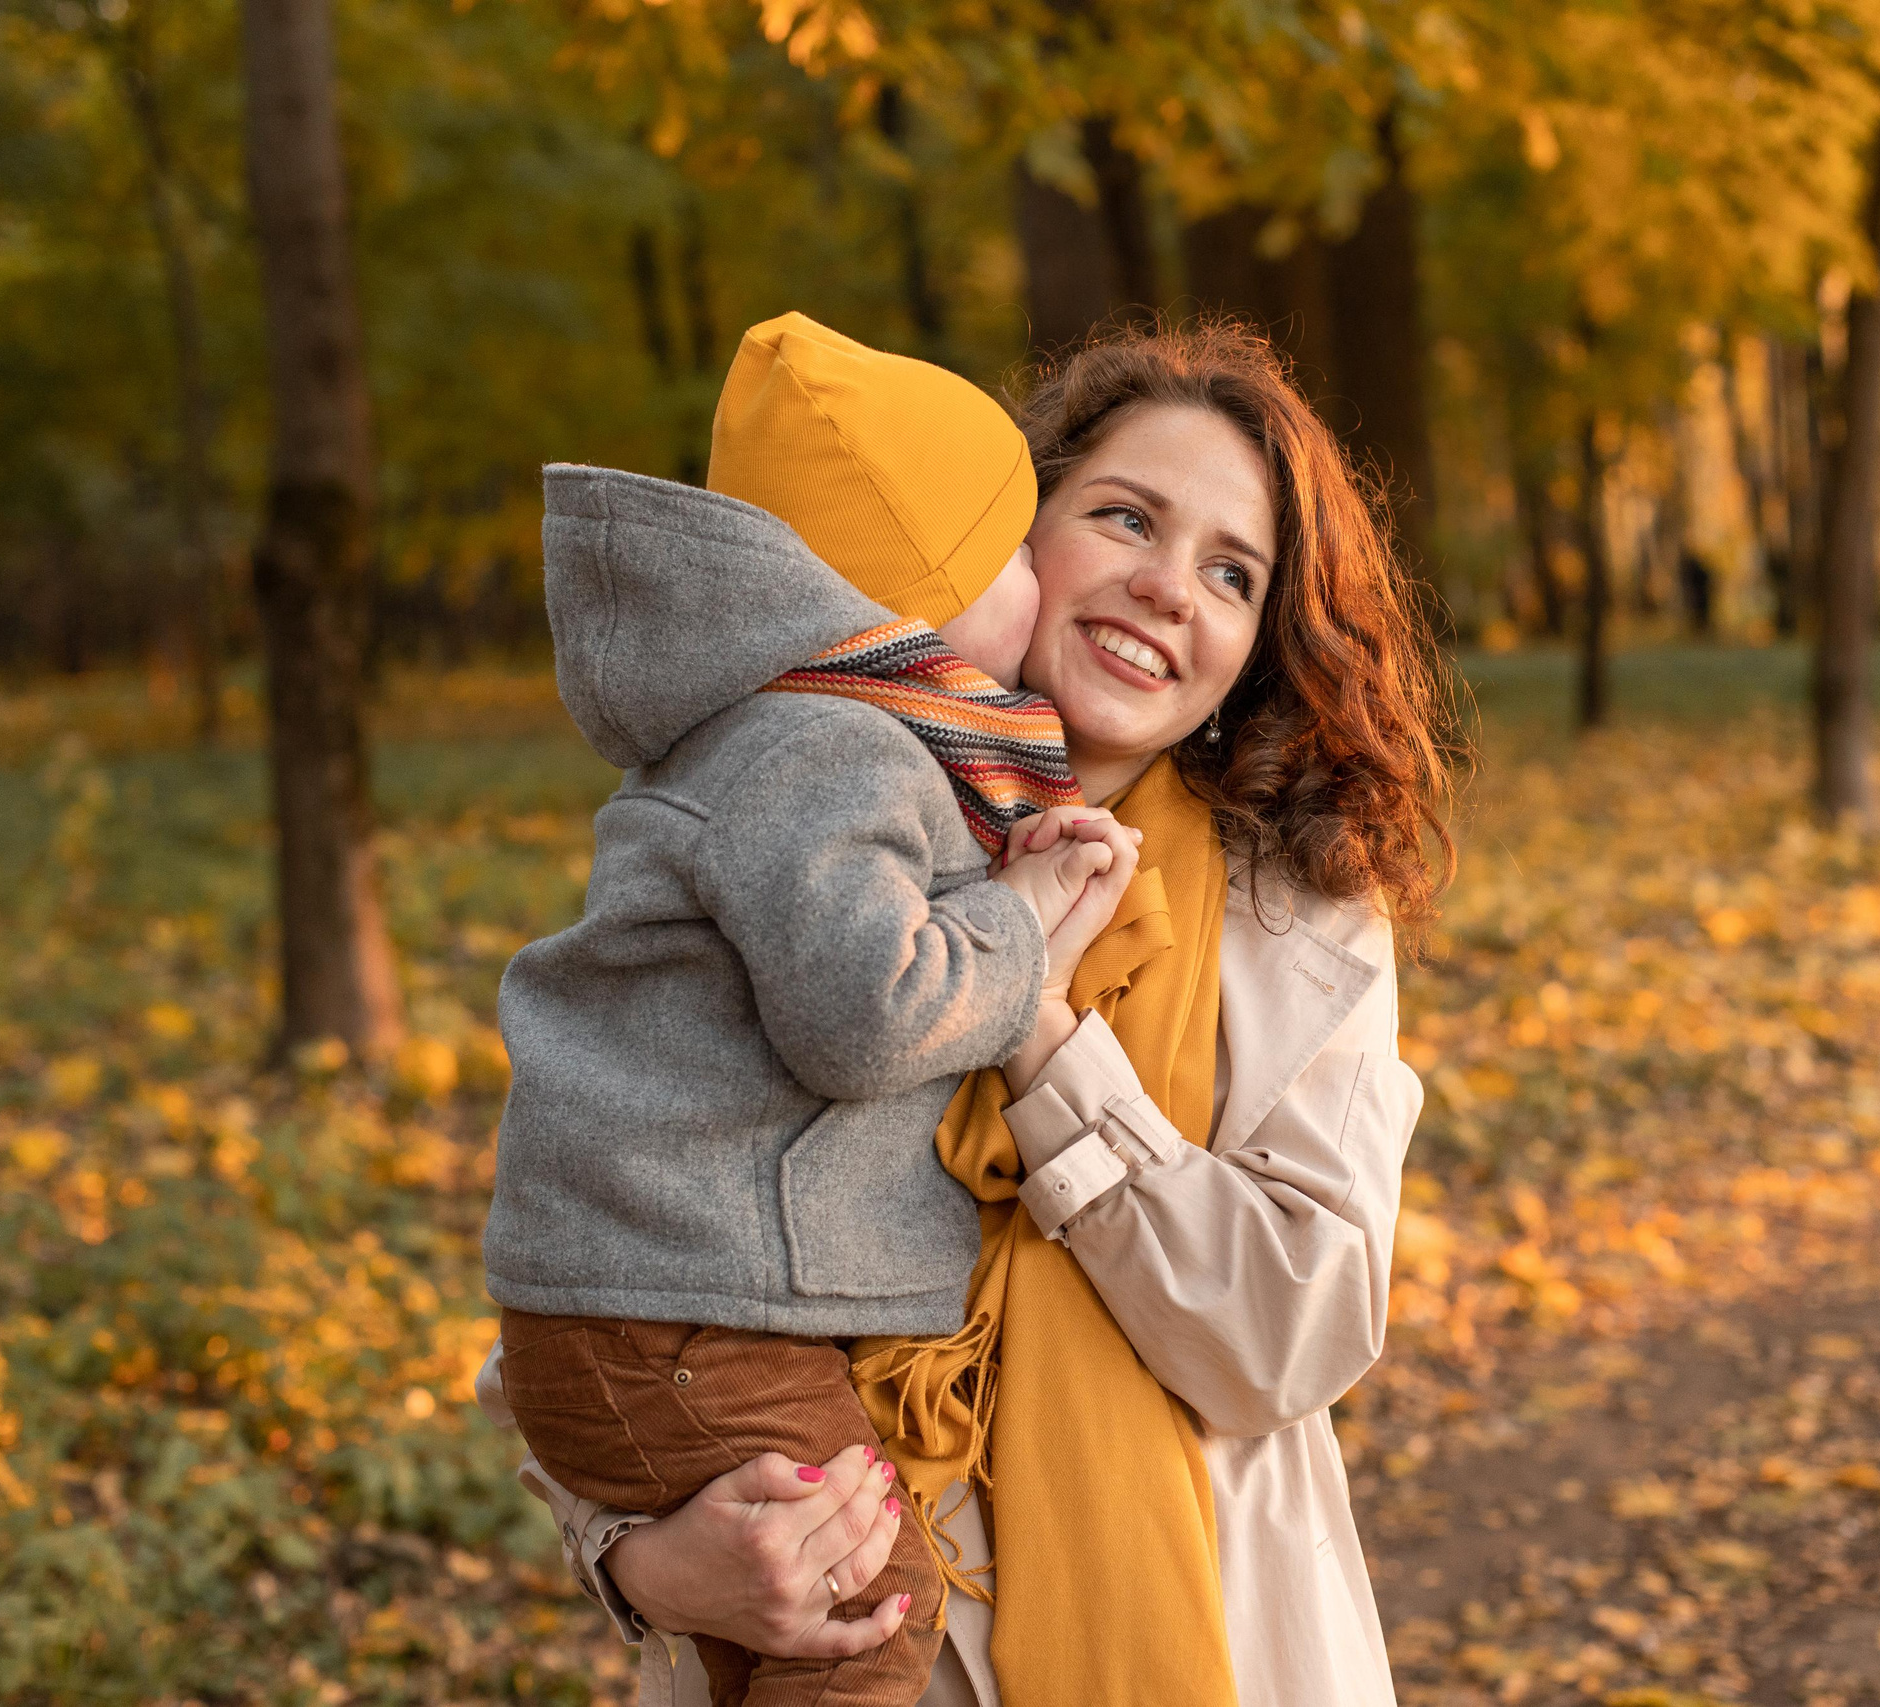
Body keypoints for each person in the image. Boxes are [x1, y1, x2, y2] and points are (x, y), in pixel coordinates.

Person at [493, 320, 1458, 1707]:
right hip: (843, 1646)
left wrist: (1045, 1041)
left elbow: (1289, 1336)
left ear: (1252, 646)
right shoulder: (803, 818)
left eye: (1231, 572)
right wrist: (642, 1562)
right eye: (1125, 517)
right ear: (1010, 537)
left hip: (1206, 1636)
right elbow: (602, 1262)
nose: (1165, 586)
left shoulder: (1300, 919)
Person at [480, 312, 1141, 1705]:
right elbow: (867, 1013)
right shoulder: (829, 749)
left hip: (665, 1309)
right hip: (683, 1326)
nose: (1042, 577)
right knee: (864, 1624)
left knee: (818, 1630)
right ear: (918, 593)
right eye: (1013, 552)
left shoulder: (807, 732)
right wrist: (1019, 926)